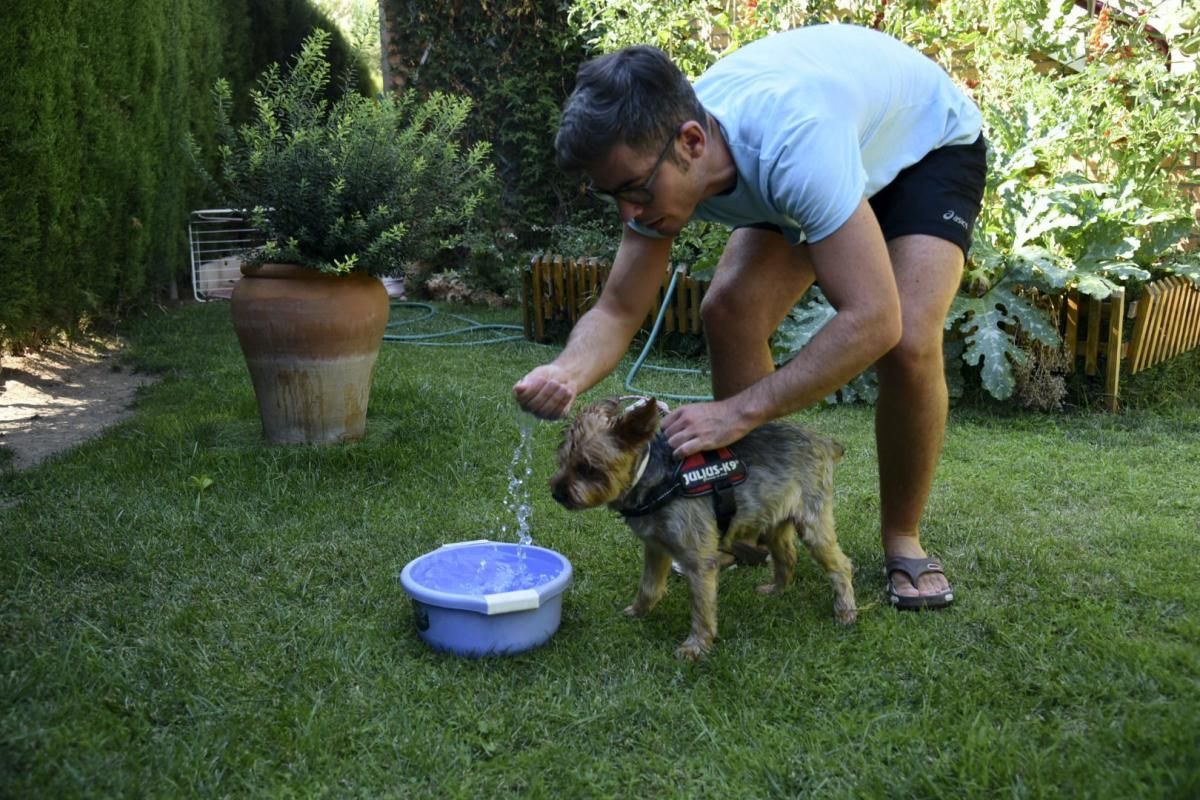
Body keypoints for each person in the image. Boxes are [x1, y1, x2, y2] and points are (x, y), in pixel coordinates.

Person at [513, 23, 987, 609]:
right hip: (834, 147)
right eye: (614, 195)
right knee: (731, 308)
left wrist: (736, 413)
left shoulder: (791, 146)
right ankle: (752, 513)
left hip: (924, 148)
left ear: (691, 141)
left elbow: (872, 319)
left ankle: (903, 541)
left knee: (909, 338)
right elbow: (617, 308)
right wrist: (566, 371)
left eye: (635, 189)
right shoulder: (673, 157)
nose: (630, 211)